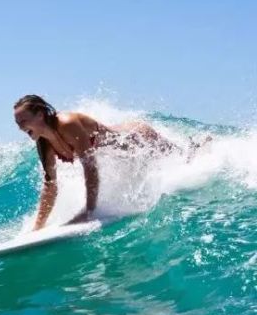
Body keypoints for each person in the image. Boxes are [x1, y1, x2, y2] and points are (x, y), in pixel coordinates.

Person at [13, 94, 174, 230]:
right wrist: (38, 226)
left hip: (137, 138)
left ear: (40, 115)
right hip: (126, 156)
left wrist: (89, 211)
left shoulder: (68, 124)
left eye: (23, 121)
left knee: (180, 156)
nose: (20, 127)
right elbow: (50, 185)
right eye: (17, 123)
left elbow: (90, 167)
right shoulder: (44, 143)